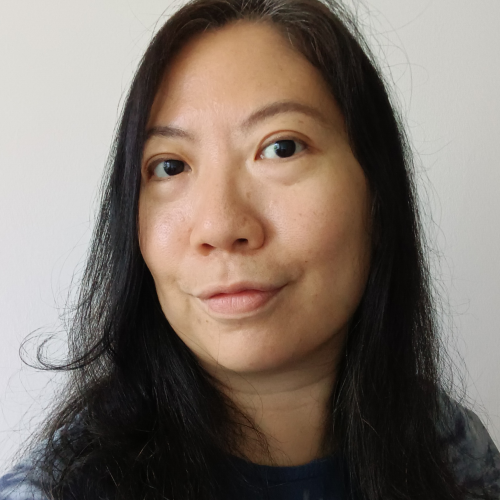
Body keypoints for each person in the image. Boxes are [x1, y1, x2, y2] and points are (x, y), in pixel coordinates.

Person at [0, 0, 499, 498]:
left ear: (378, 193)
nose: (220, 226)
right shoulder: (58, 489)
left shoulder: (456, 454)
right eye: (170, 166)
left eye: (281, 147)